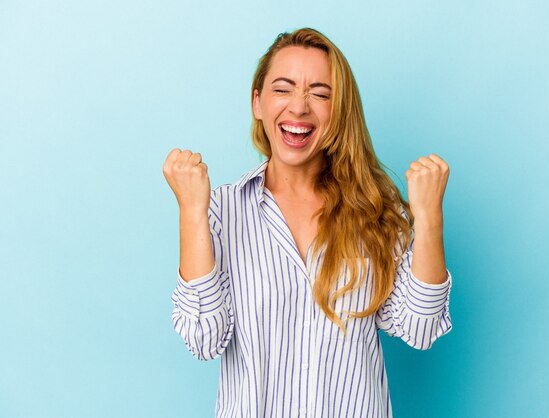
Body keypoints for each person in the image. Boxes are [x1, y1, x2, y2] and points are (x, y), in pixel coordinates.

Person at [163, 27, 453, 418]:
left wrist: (429, 218)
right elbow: (204, 338)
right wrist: (192, 212)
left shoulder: (374, 211)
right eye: (282, 89)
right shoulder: (221, 211)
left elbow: (420, 328)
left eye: (320, 93)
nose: (299, 107)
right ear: (257, 103)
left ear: (339, 111)